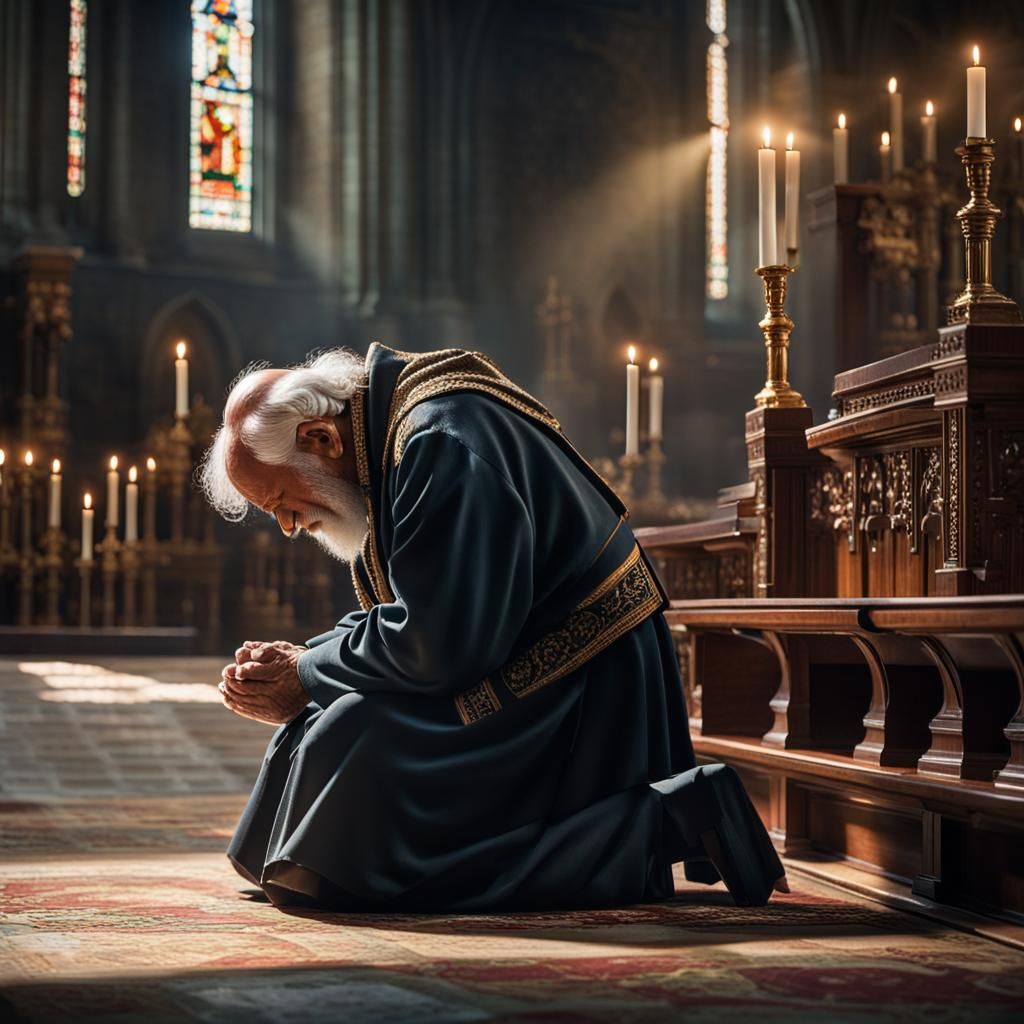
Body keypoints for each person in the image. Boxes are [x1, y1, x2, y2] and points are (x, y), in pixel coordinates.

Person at [200, 343, 789, 911]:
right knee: (322, 723)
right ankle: (318, 861)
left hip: (584, 681)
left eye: (280, 500)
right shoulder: (395, 432)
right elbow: (428, 607)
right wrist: (307, 660)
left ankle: (663, 821)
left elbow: (439, 646)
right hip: (521, 653)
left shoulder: (437, 442)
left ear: (320, 438)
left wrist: (307, 669)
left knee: (359, 736)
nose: (288, 526)